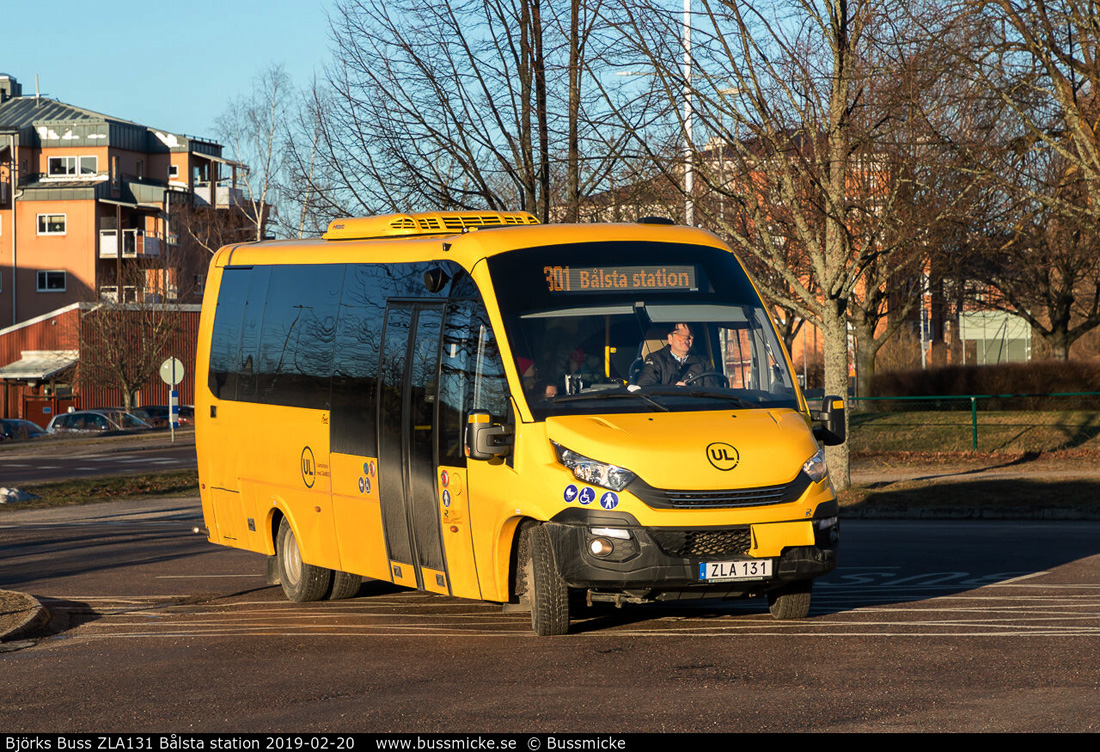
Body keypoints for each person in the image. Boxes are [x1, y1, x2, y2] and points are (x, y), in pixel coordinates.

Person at [634, 323, 710, 387]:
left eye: (690, 337)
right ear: (670, 339)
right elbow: (645, 386)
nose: (686, 340)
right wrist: (673, 388)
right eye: (681, 336)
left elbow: (713, 392)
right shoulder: (656, 359)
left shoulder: (703, 362)